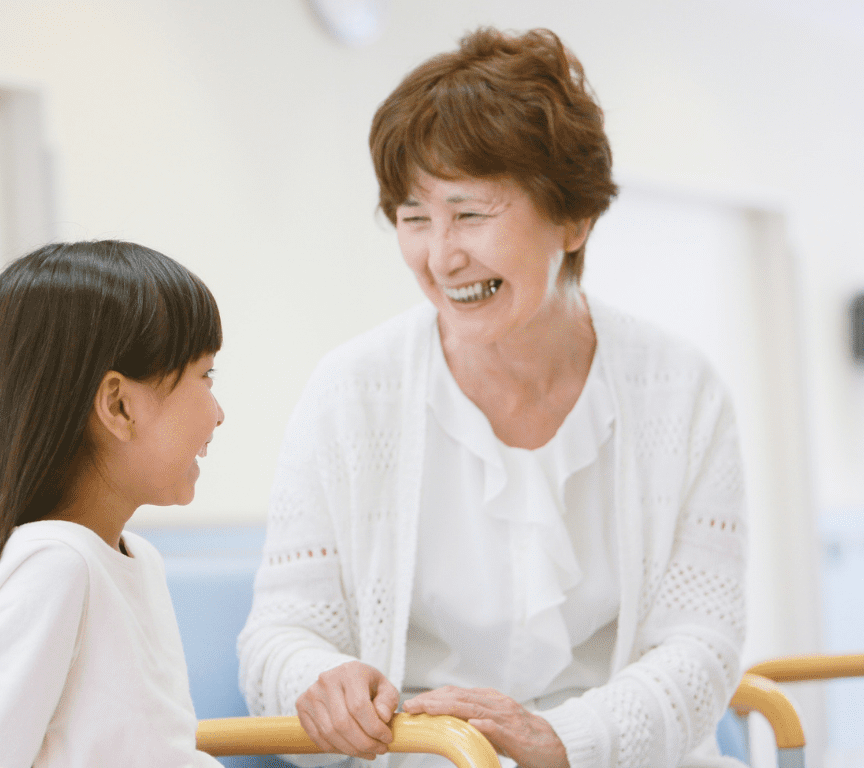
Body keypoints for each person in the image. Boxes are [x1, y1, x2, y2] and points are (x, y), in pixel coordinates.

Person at [238, 27, 747, 768]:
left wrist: (567, 741)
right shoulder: (352, 393)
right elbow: (279, 635)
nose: (441, 256)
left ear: (574, 218)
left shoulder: (682, 390)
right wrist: (321, 684)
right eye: (414, 218)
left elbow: (703, 645)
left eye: (470, 214)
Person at [0, 240, 227, 768]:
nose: (218, 413)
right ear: (118, 406)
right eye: (205, 376)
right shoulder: (58, 568)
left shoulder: (136, 561)